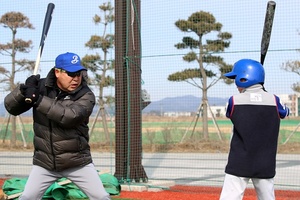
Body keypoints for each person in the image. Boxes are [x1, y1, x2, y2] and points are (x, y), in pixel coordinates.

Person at [4, 52, 111, 200]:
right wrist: (23, 91)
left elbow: (69, 116)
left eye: (79, 73)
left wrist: (38, 100)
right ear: (57, 72)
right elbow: (11, 108)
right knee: (27, 197)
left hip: (77, 162)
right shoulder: (41, 87)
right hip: (44, 163)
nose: (76, 78)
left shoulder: (86, 95)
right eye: (71, 73)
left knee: (101, 197)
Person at [219, 59, 289, 200]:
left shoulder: (233, 100)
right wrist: (264, 94)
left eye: (236, 78)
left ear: (244, 78)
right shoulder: (275, 100)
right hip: (265, 163)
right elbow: (285, 113)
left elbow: (229, 112)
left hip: (238, 162)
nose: (235, 84)